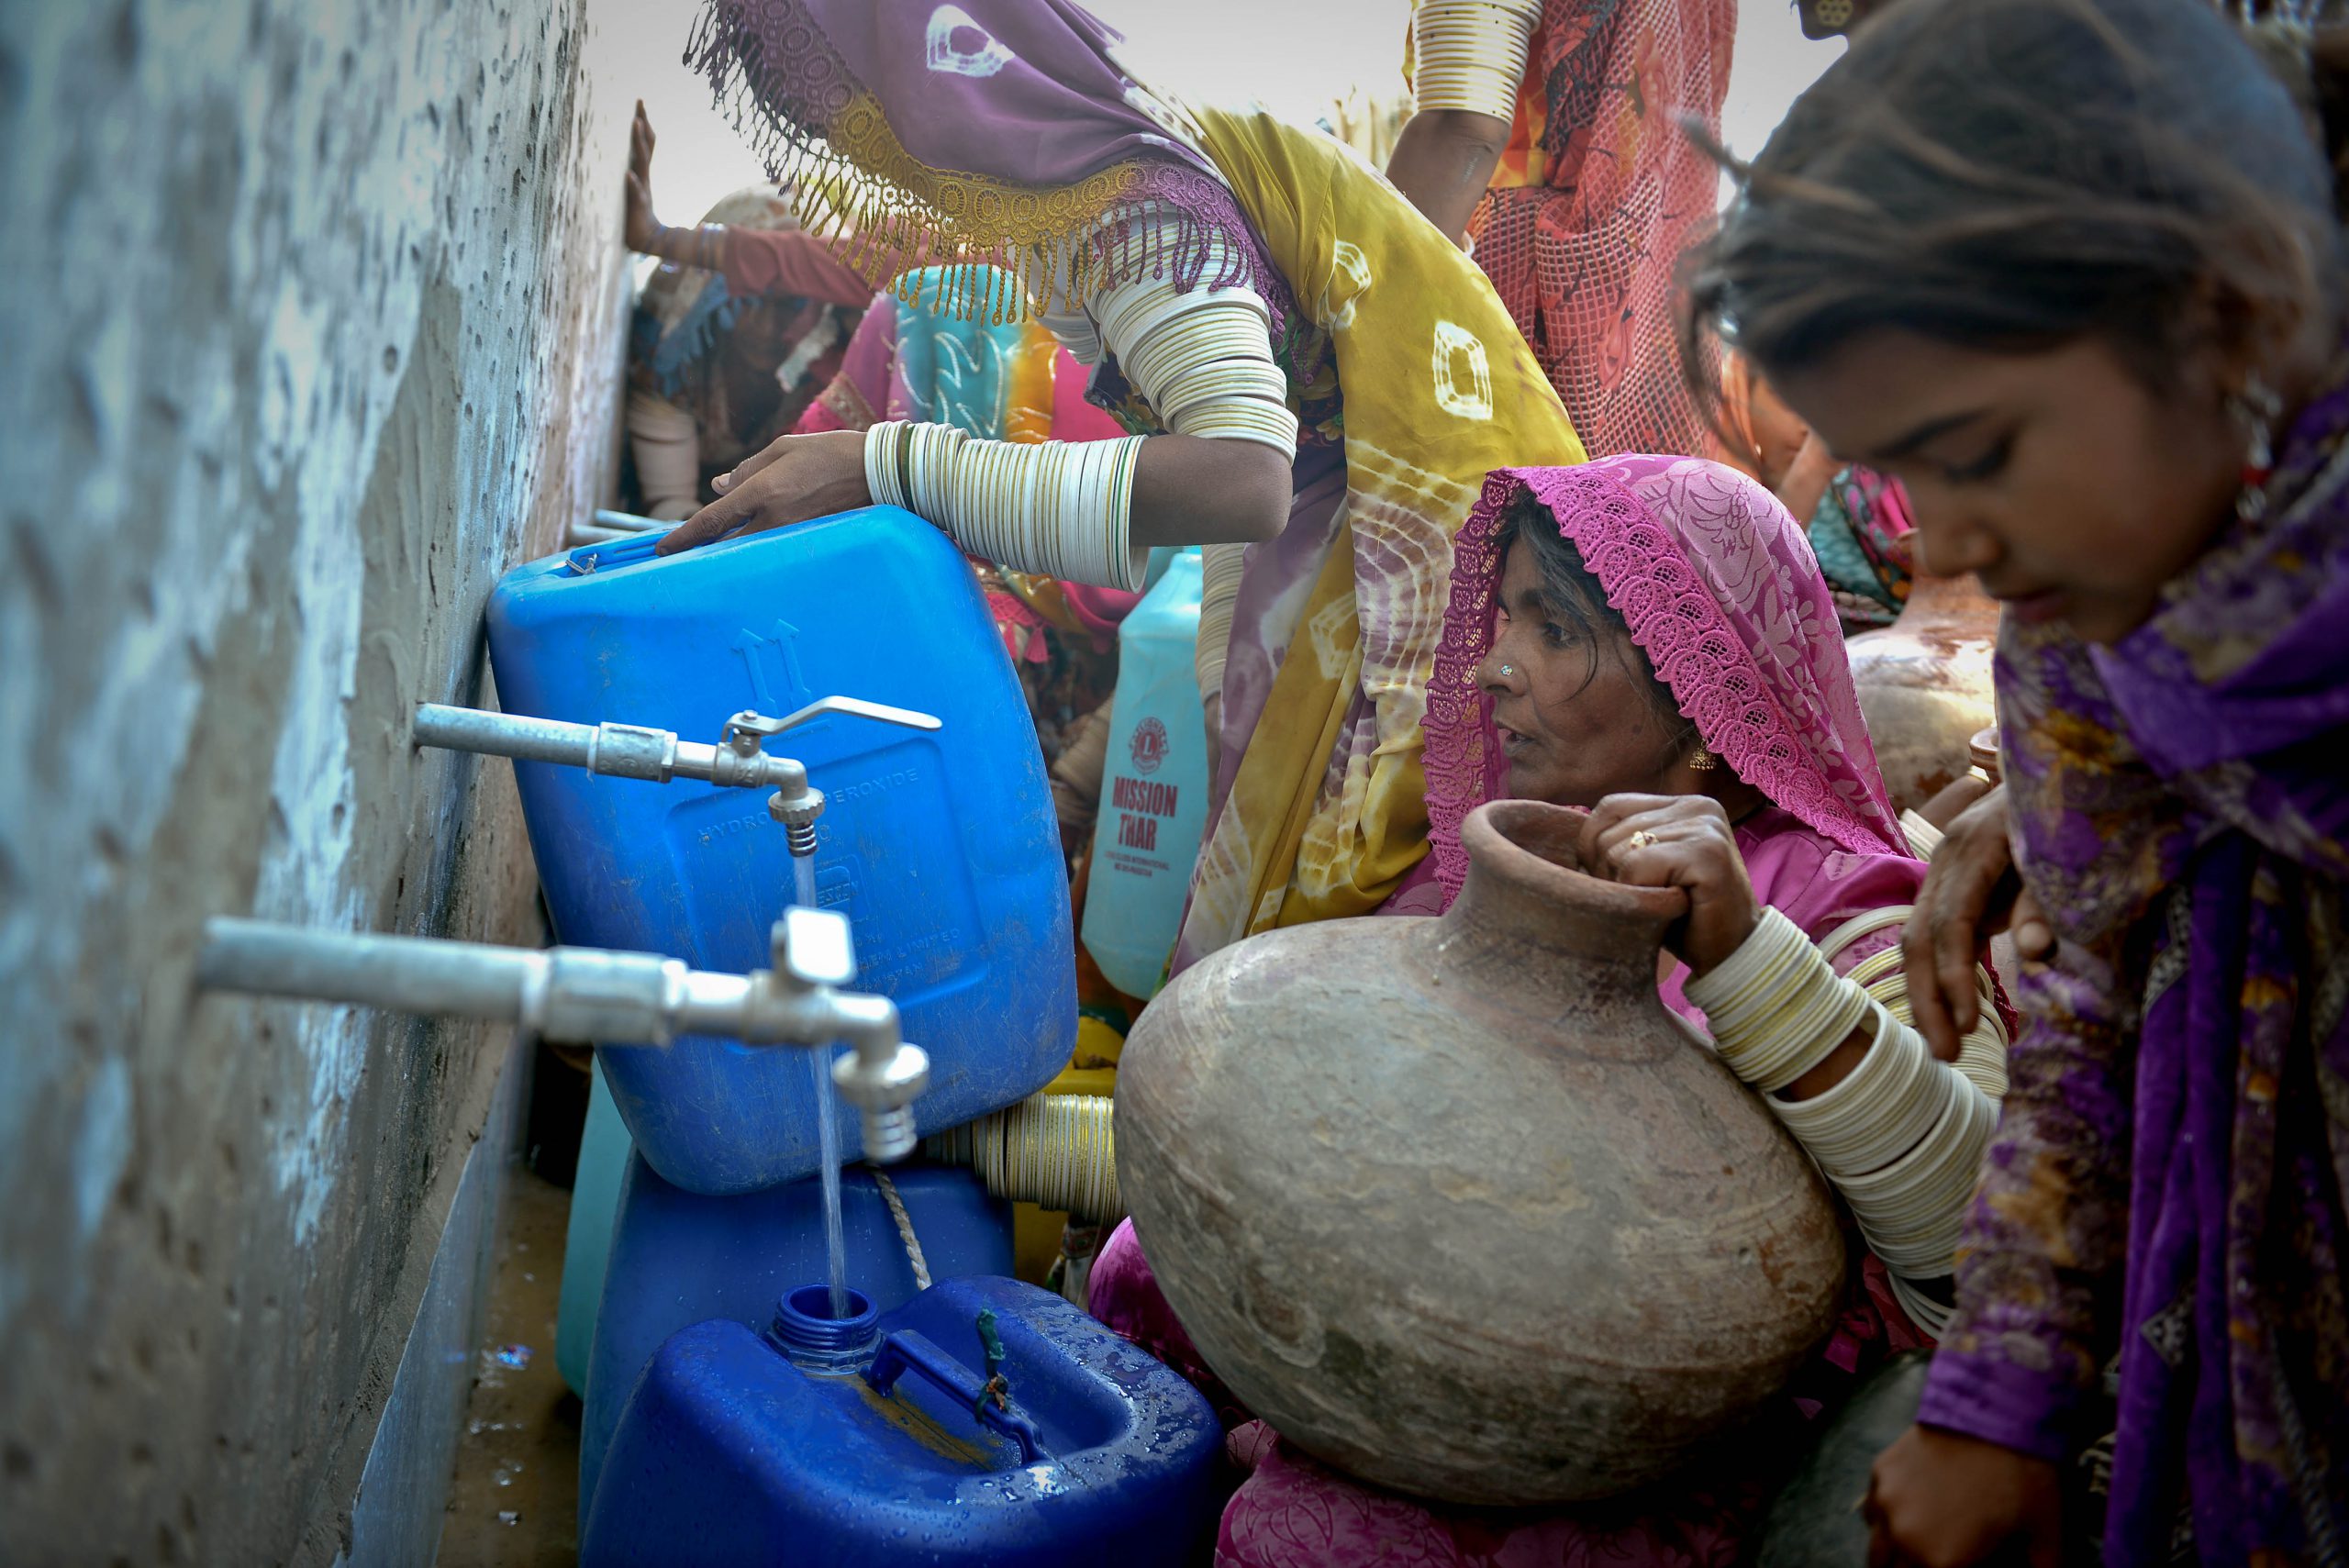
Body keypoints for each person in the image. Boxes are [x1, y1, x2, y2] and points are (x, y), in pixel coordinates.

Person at [1681, 0, 2349, 1559]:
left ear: (2216, 313)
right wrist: (1999, 1395)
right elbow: (2089, 1005)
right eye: (1908, 480)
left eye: (1977, 450)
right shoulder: (2084, 643)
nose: (1953, 547)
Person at [1092, 456, 2011, 1566]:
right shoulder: (1501, 867)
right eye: (1506, 616)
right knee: (1140, 1267)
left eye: (1554, 628)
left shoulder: (1842, 911)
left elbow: (1980, 1245)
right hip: (1448, 1363)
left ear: (1702, 687)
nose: (1490, 666)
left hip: (1682, 1443)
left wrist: (1742, 957)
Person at [657, 0, 1585, 974]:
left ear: (938, 77)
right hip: (1342, 514)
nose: (852, 150)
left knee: (1339, 911)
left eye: (850, 114)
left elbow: (1243, 475)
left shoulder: (1127, 202)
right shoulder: (1075, 189)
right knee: (1266, 861)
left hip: (1416, 531)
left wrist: (885, 464)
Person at [1385, 0, 1737, 460]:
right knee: (1622, 521)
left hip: (1520, 311)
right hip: (1666, 328)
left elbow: (1463, 128)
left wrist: (1369, 326)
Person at [619, 104, 877, 518]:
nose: (768, 326)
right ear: (707, 303)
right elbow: (669, 513)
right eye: (747, 303)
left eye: (791, 306)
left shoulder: (826, 379)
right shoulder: (676, 364)